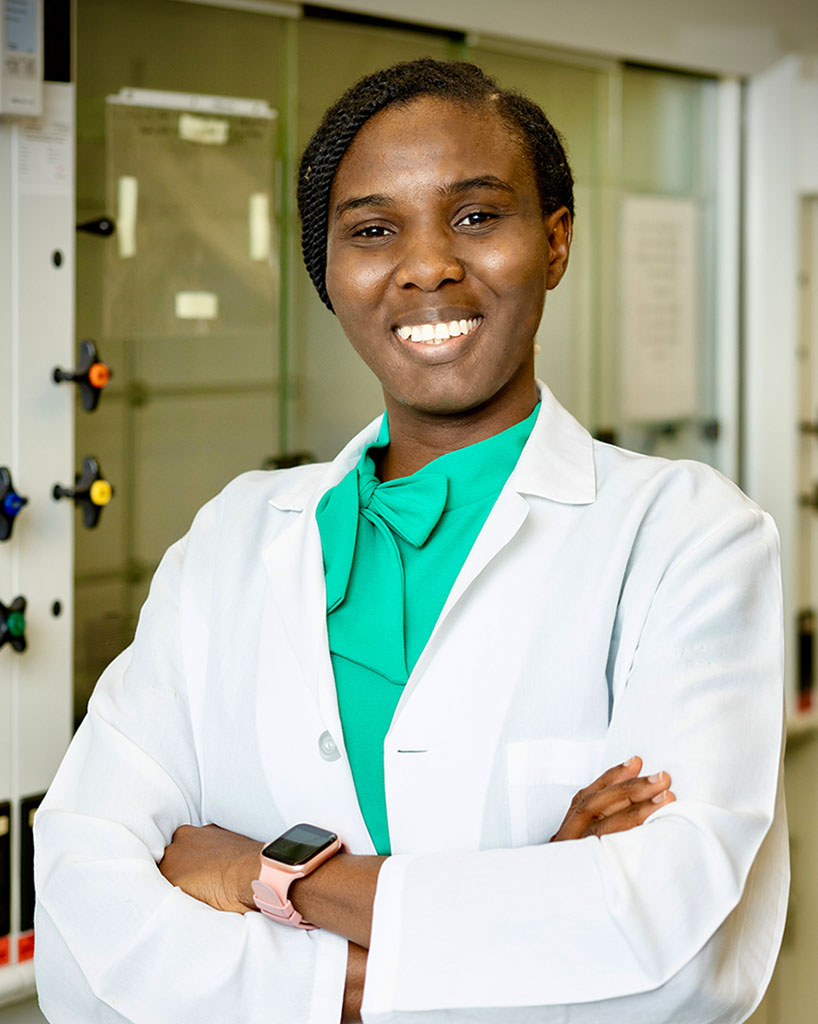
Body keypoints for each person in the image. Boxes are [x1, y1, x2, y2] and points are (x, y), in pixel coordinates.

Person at [34, 59, 786, 1023]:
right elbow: (81, 936)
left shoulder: (687, 536)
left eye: (477, 216)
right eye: (374, 230)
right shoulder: (233, 539)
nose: (427, 265)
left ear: (554, 243)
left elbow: (682, 965)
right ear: (330, 273)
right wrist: (528, 908)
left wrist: (273, 878)